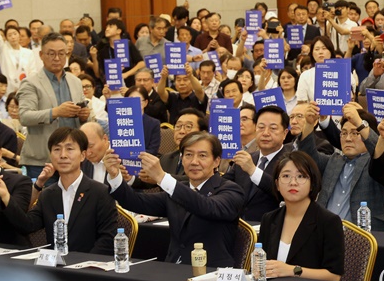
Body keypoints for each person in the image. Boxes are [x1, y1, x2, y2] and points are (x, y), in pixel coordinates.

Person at [105, 131, 245, 267]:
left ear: (216, 161)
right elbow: (135, 201)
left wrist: (162, 177)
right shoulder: (178, 190)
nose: (194, 161)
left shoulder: (231, 190)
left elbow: (206, 207)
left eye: (202, 156)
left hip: (211, 272)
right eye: (188, 155)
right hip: (173, 268)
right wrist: (114, 175)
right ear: (182, 159)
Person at [0, 127, 117, 254]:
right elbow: (27, 225)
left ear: (83, 155)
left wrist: (82, 265)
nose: (63, 155)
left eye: (70, 149)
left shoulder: (101, 192)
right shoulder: (48, 194)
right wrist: (5, 196)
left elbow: (108, 239)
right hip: (55, 268)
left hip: (88, 268)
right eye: (56, 149)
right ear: (50, 155)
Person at [299, 102, 384, 231]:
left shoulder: (376, 164)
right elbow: (306, 158)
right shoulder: (334, 160)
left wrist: (359, 123)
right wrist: (309, 124)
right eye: (343, 133)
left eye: (355, 133)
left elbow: (383, 156)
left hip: (362, 236)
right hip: (322, 232)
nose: (348, 139)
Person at [258, 151, 344, 281]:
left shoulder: (329, 222)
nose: (293, 182)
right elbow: (263, 264)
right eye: (286, 176)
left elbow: (334, 276)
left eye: (301, 176)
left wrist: (292, 270)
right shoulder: (269, 219)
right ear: (277, 184)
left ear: (312, 183)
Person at [17, 32, 92, 180]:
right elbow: (25, 116)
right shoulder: (31, 83)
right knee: (42, 201)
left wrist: (84, 116)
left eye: (61, 54)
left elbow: (84, 118)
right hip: (42, 160)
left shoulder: (75, 81)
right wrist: (56, 112)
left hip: (72, 159)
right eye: (51, 54)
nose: (57, 58)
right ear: (41, 55)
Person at [223, 106, 291, 221]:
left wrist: (253, 170)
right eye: (261, 127)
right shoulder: (247, 158)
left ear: (285, 133)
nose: (265, 133)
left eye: (273, 128)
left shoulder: (290, 161)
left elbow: (282, 191)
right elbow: (223, 184)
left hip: (270, 229)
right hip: (239, 227)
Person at [91, 18, 145, 88]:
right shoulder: (104, 49)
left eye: (110, 27)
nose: (107, 29)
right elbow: (98, 74)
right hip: (111, 87)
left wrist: (126, 74)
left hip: (130, 85)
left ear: (119, 31)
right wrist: (94, 57)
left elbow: (141, 63)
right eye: (106, 27)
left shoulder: (128, 45)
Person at [123, 86, 161, 155]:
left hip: (144, 162)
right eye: (130, 100)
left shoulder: (154, 124)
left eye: (137, 100)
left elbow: (153, 150)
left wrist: (133, 154)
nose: (133, 104)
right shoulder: (120, 122)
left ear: (145, 103)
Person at [296, 36, 335, 102]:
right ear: (312, 54)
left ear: (331, 51)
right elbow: (301, 103)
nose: (320, 52)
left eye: (324, 48)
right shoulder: (305, 76)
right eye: (317, 49)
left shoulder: (344, 72)